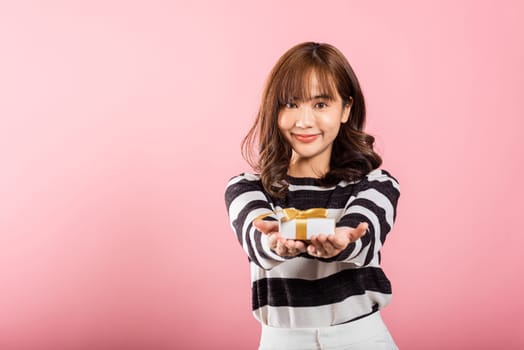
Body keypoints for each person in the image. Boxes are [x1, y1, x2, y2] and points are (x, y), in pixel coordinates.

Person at [224, 42, 400, 350]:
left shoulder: (375, 183)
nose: (304, 121)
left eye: (320, 104)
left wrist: (344, 240)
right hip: (282, 341)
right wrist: (275, 242)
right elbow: (257, 238)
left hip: (362, 339)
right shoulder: (246, 187)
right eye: (291, 104)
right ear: (274, 110)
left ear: (346, 108)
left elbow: (365, 231)